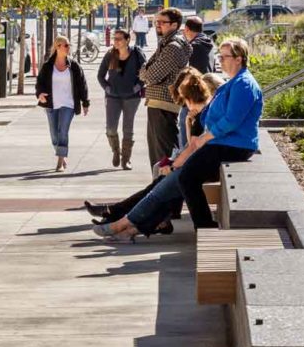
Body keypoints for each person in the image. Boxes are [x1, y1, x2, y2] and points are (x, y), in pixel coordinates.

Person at [91, 71, 223, 241]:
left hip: (200, 165)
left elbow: (193, 147)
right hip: (197, 163)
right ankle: (128, 224)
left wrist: (174, 165)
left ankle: (122, 222)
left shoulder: (205, 114)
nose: (183, 106)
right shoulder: (200, 114)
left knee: (160, 190)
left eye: (184, 101)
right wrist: (187, 124)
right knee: (161, 186)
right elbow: (192, 145)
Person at [175, 38, 263, 229]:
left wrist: (204, 138)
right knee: (183, 176)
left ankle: (205, 226)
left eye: (225, 57)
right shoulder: (232, 83)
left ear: (239, 58)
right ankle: (202, 224)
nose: (220, 61)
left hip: (234, 145)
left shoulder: (244, 84)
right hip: (223, 142)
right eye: (219, 56)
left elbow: (232, 120)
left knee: (186, 177)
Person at [139, 8, 190, 174]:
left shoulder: (173, 47)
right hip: (160, 103)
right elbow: (145, 72)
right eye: (156, 22)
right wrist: (145, 71)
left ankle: (163, 190)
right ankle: (159, 187)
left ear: (174, 25)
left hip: (163, 103)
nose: (158, 25)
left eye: (162, 22)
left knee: (162, 153)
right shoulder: (167, 43)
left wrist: (145, 72)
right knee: (158, 151)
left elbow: (150, 74)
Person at [36, 35, 89, 171]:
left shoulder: (74, 65)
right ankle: (62, 154)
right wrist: (40, 94)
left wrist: (85, 103)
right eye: (66, 45)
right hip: (51, 103)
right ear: (57, 47)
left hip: (69, 103)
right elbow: (40, 83)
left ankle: (60, 161)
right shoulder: (48, 66)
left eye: (69, 45)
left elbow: (82, 84)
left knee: (63, 131)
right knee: (54, 134)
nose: (68, 48)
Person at [97, 28, 144, 170]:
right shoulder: (110, 55)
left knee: (127, 129)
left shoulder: (136, 54)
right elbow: (100, 76)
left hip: (132, 97)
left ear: (127, 40)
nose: (116, 41)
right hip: (113, 97)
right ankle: (116, 151)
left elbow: (145, 72)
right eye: (114, 38)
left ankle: (126, 159)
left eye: (119, 39)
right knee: (111, 128)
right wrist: (107, 88)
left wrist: (138, 87)